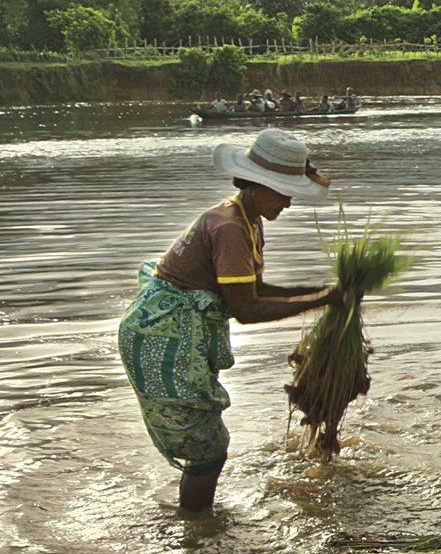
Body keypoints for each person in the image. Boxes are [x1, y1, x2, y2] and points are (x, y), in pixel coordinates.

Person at [117, 129, 337, 517]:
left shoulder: (245, 218)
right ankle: (196, 529)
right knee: (206, 446)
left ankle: (196, 527)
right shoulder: (231, 227)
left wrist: (320, 291)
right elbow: (246, 309)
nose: (288, 201)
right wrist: (322, 300)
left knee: (205, 441)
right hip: (161, 337)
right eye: (283, 191)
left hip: (170, 330)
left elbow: (257, 287)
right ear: (257, 184)